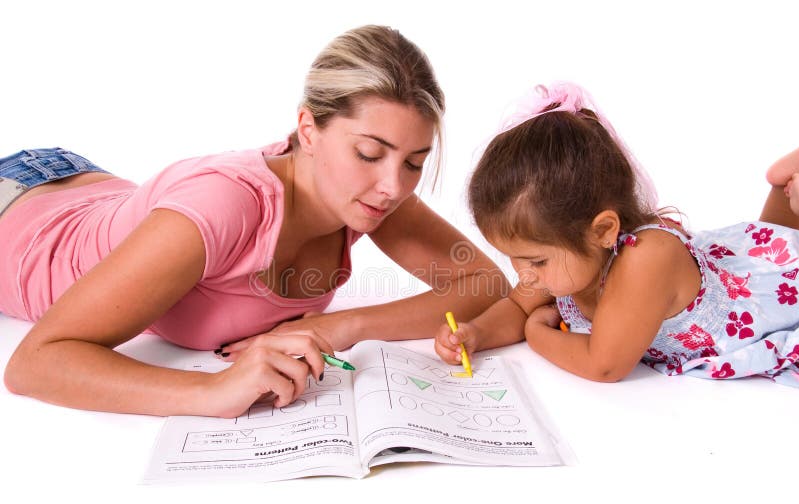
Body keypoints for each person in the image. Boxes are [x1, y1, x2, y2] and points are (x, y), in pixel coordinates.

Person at [1, 25, 508, 417]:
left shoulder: (368, 194)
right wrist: (212, 389)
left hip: (77, 183)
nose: (395, 186)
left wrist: (342, 325)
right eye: (370, 152)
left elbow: (484, 281)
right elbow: (34, 364)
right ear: (308, 129)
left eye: (415, 162)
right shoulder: (226, 206)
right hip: (14, 218)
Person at [435, 82, 799, 387]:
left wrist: (537, 333)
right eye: (513, 256)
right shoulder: (564, 249)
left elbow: (604, 365)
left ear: (604, 231)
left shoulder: (646, 258)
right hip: (747, 270)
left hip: (763, 299)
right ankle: (787, 188)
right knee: (779, 239)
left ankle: (786, 185)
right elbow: (516, 306)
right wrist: (476, 334)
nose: (523, 273)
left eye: (535, 261)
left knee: (789, 262)